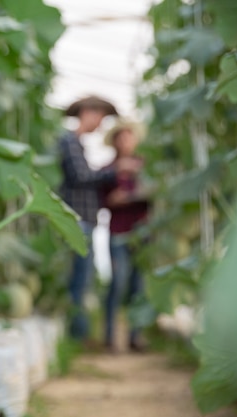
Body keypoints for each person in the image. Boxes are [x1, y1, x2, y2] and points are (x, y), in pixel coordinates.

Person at [57, 96, 141, 343]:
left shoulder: (77, 144)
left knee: (83, 279)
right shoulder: (70, 141)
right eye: (101, 118)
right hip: (79, 220)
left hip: (86, 221)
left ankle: (79, 334)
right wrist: (114, 171)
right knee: (80, 280)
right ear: (88, 113)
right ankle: (78, 335)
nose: (101, 124)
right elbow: (82, 177)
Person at [100, 120, 150, 353]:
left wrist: (128, 196)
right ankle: (109, 337)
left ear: (135, 139)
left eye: (128, 136)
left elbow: (155, 191)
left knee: (138, 286)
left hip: (142, 233)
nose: (125, 141)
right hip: (118, 233)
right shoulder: (108, 169)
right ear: (115, 141)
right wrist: (123, 197)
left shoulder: (145, 165)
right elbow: (105, 201)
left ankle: (135, 337)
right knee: (118, 282)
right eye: (120, 137)